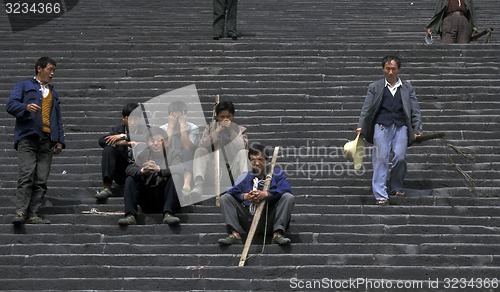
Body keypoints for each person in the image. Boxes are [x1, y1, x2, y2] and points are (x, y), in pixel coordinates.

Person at [6, 56, 65, 225]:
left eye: (54, 70)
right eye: (50, 69)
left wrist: (60, 140)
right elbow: (10, 105)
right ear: (39, 69)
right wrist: (25, 107)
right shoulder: (24, 86)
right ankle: (21, 211)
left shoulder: (53, 93)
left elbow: (58, 118)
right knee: (27, 174)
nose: (52, 74)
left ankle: (33, 213)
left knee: (41, 178)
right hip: (28, 137)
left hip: (47, 140)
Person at [356, 55, 422, 205]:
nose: (390, 72)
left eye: (393, 69)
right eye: (387, 69)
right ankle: (380, 194)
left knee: (400, 157)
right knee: (381, 158)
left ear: (398, 70)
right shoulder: (375, 87)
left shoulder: (407, 88)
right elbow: (366, 109)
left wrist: (417, 128)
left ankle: (396, 186)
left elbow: (415, 111)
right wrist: (361, 125)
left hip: (401, 126)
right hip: (381, 126)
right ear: (383, 69)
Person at [218, 143, 294, 246]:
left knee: (288, 197)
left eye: (260, 160)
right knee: (225, 198)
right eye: (253, 160)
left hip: (269, 220)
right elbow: (231, 192)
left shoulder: (277, 174)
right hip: (250, 219)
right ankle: (235, 234)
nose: (257, 163)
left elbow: (286, 189)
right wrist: (246, 196)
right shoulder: (245, 177)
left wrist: (266, 194)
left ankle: (277, 234)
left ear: (266, 160)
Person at [117, 127, 183, 226]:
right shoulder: (143, 154)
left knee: (176, 176)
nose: (155, 143)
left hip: (166, 196)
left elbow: (179, 169)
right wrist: (142, 171)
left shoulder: (173, 153)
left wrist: (159, 170)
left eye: (159, 140)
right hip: (148, 198)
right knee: (130, 179)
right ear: (148, 143)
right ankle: (130, 215)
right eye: (152, 141)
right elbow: (129, 169)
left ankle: (168, 214)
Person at [189, 100, 249, 197]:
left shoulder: (241, 130)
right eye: (222, 117)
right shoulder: (209, 128)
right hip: (213, 170)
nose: (225, 119)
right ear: (217, 117)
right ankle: (199, 185)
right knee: (200, 151)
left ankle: (243, 185)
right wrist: (217, 131)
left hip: (232, 171)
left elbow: (242, 147)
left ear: (233, 116)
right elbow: (202, 145)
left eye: (228, 116)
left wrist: (231, 131)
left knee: (243, 153)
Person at [95, 102, 139, 200]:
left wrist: (124, 136)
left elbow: (148, 138)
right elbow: (102, 141)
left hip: (140, 169)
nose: (133, 121)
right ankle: (106, 187)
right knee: (108, 149)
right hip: (123, 169)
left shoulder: (145, 129)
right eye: (130, 118)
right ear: (124, 118)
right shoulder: (117, 129)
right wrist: (125, 143)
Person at [160, 101, 199, 196]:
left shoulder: (193, 127)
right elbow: (165, 146)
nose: (177, 117)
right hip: (170, 156)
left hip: (186, 155)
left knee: (186, 150)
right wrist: (170, 127)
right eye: (174, 114)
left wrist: (182, 126)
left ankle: (187, 183)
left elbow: (188, 145)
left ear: (185, 115)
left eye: (179, 114)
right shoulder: (163, 128)